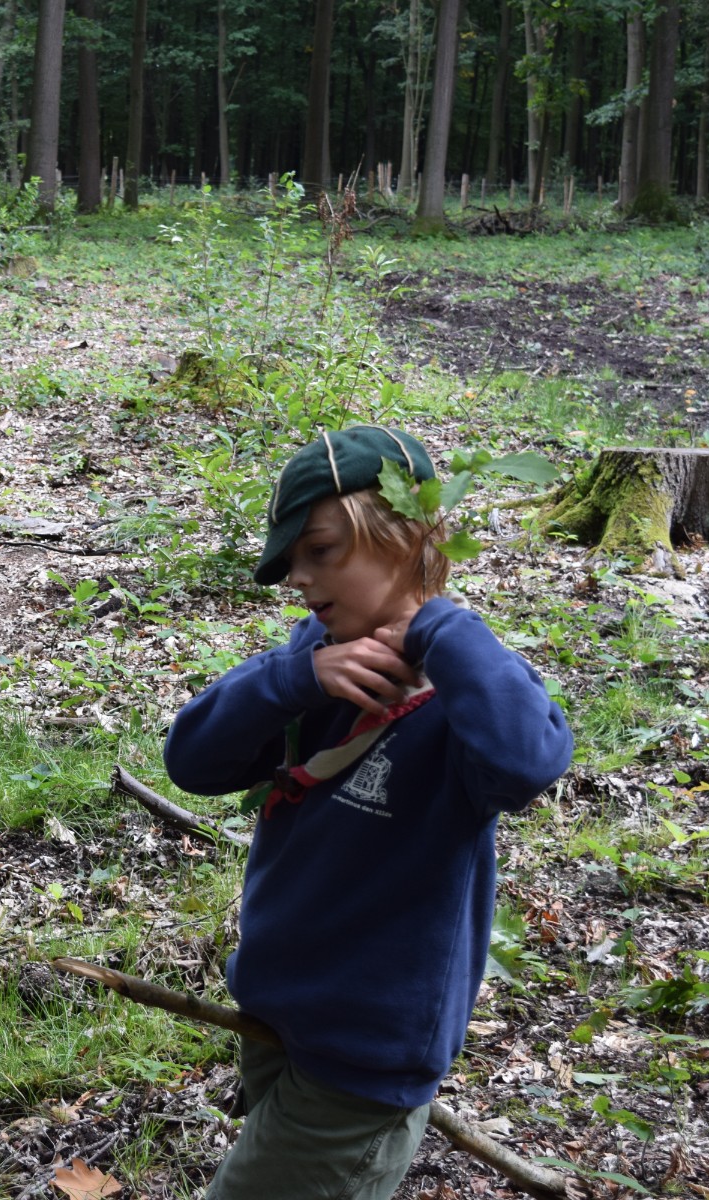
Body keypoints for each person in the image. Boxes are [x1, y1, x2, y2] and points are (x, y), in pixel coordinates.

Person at [163, 427, 574, 1200]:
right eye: (292, 560)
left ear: (406, 536)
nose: (299, 578)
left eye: (321, 551)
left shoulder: (467, 698)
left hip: (363, 1053)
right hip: (281, 1014)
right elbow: (194, 762)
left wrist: (439, 628)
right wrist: (294, 680)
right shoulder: (318, 664)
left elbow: (528, 760)